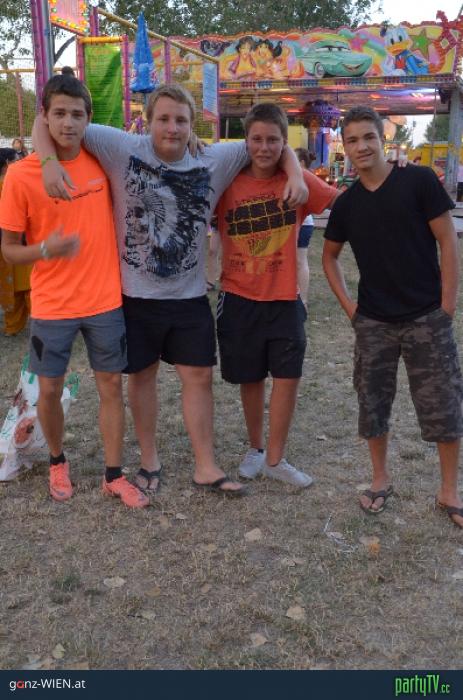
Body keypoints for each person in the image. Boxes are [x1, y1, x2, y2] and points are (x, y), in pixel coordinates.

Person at [34, 82, 308, 497]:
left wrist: (297, 172)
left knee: (198, 377)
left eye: (181, 120)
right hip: (136, 296)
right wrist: (48, 163)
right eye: (163, 119)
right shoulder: (121, 147)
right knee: (142, 378)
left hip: (189, 297)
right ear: (147, 122)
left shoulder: (214, 157)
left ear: (193, 124)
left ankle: (205, 465)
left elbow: (270, 141)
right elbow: (46, 120)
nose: (172, 128)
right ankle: (149, 460)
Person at [0, 71, 148, 508]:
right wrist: (46, 249)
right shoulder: (21, 176)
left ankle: (113, 474)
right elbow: (9, 250)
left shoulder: (102, 161)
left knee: (111, 387)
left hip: (105, 300)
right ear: (44, 116)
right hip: (53, 305)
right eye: (60, 113)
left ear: (89, 118)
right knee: (48, 391)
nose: (68, 123)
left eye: (77, 114)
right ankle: (57, 460)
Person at [322, 105, 463, 527]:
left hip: (427, 317)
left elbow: (448, 239)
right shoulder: (346, 205)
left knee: (443, 406)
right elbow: (329, 258)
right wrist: (351, 309)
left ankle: (449, 491)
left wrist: (447, 305)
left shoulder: (418, 181)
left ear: (382, 138)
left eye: (368, 137)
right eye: (352, 140)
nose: (362, 146)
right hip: (374, 324)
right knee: (373, 405)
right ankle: (380, 480)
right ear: (345, 146)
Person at [216, 103, 338, 486]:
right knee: (250, 378)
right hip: (238, 297)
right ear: (245, 141)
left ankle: (275, 458)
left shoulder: (297, 181)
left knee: (288, 378)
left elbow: (340, 203)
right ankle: (256, 448)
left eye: (273, 140)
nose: (264, 147)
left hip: (285, 298)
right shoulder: (227, 180)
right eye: (256, 139)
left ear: (284, 142)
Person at [0, 148, 32, 335]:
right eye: (17, 159)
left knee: (11, 288)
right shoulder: (15, 184)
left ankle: (12, 326)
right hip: (19, 243)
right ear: (8, 163)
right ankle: (42, 322)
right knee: (28, 285)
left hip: (4, 248)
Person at [294, 147, 316, 308]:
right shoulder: (294, 176)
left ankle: (303, 300)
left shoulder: (306, 178)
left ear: (301, 162)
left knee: (300, 261)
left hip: (304, 225)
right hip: (295, 224)